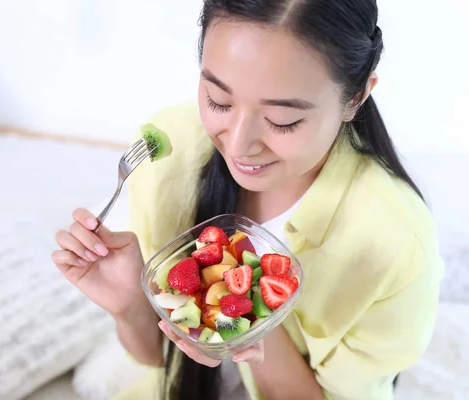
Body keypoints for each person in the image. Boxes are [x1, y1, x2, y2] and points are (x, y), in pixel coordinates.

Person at [51, 0, 444, 399]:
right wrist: (131, 306)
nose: (238, 145)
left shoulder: (396, 242)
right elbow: (159, 359)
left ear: (355, 97)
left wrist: (248, 322)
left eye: (282, 121)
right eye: (218, 100)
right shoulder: (173, 149)